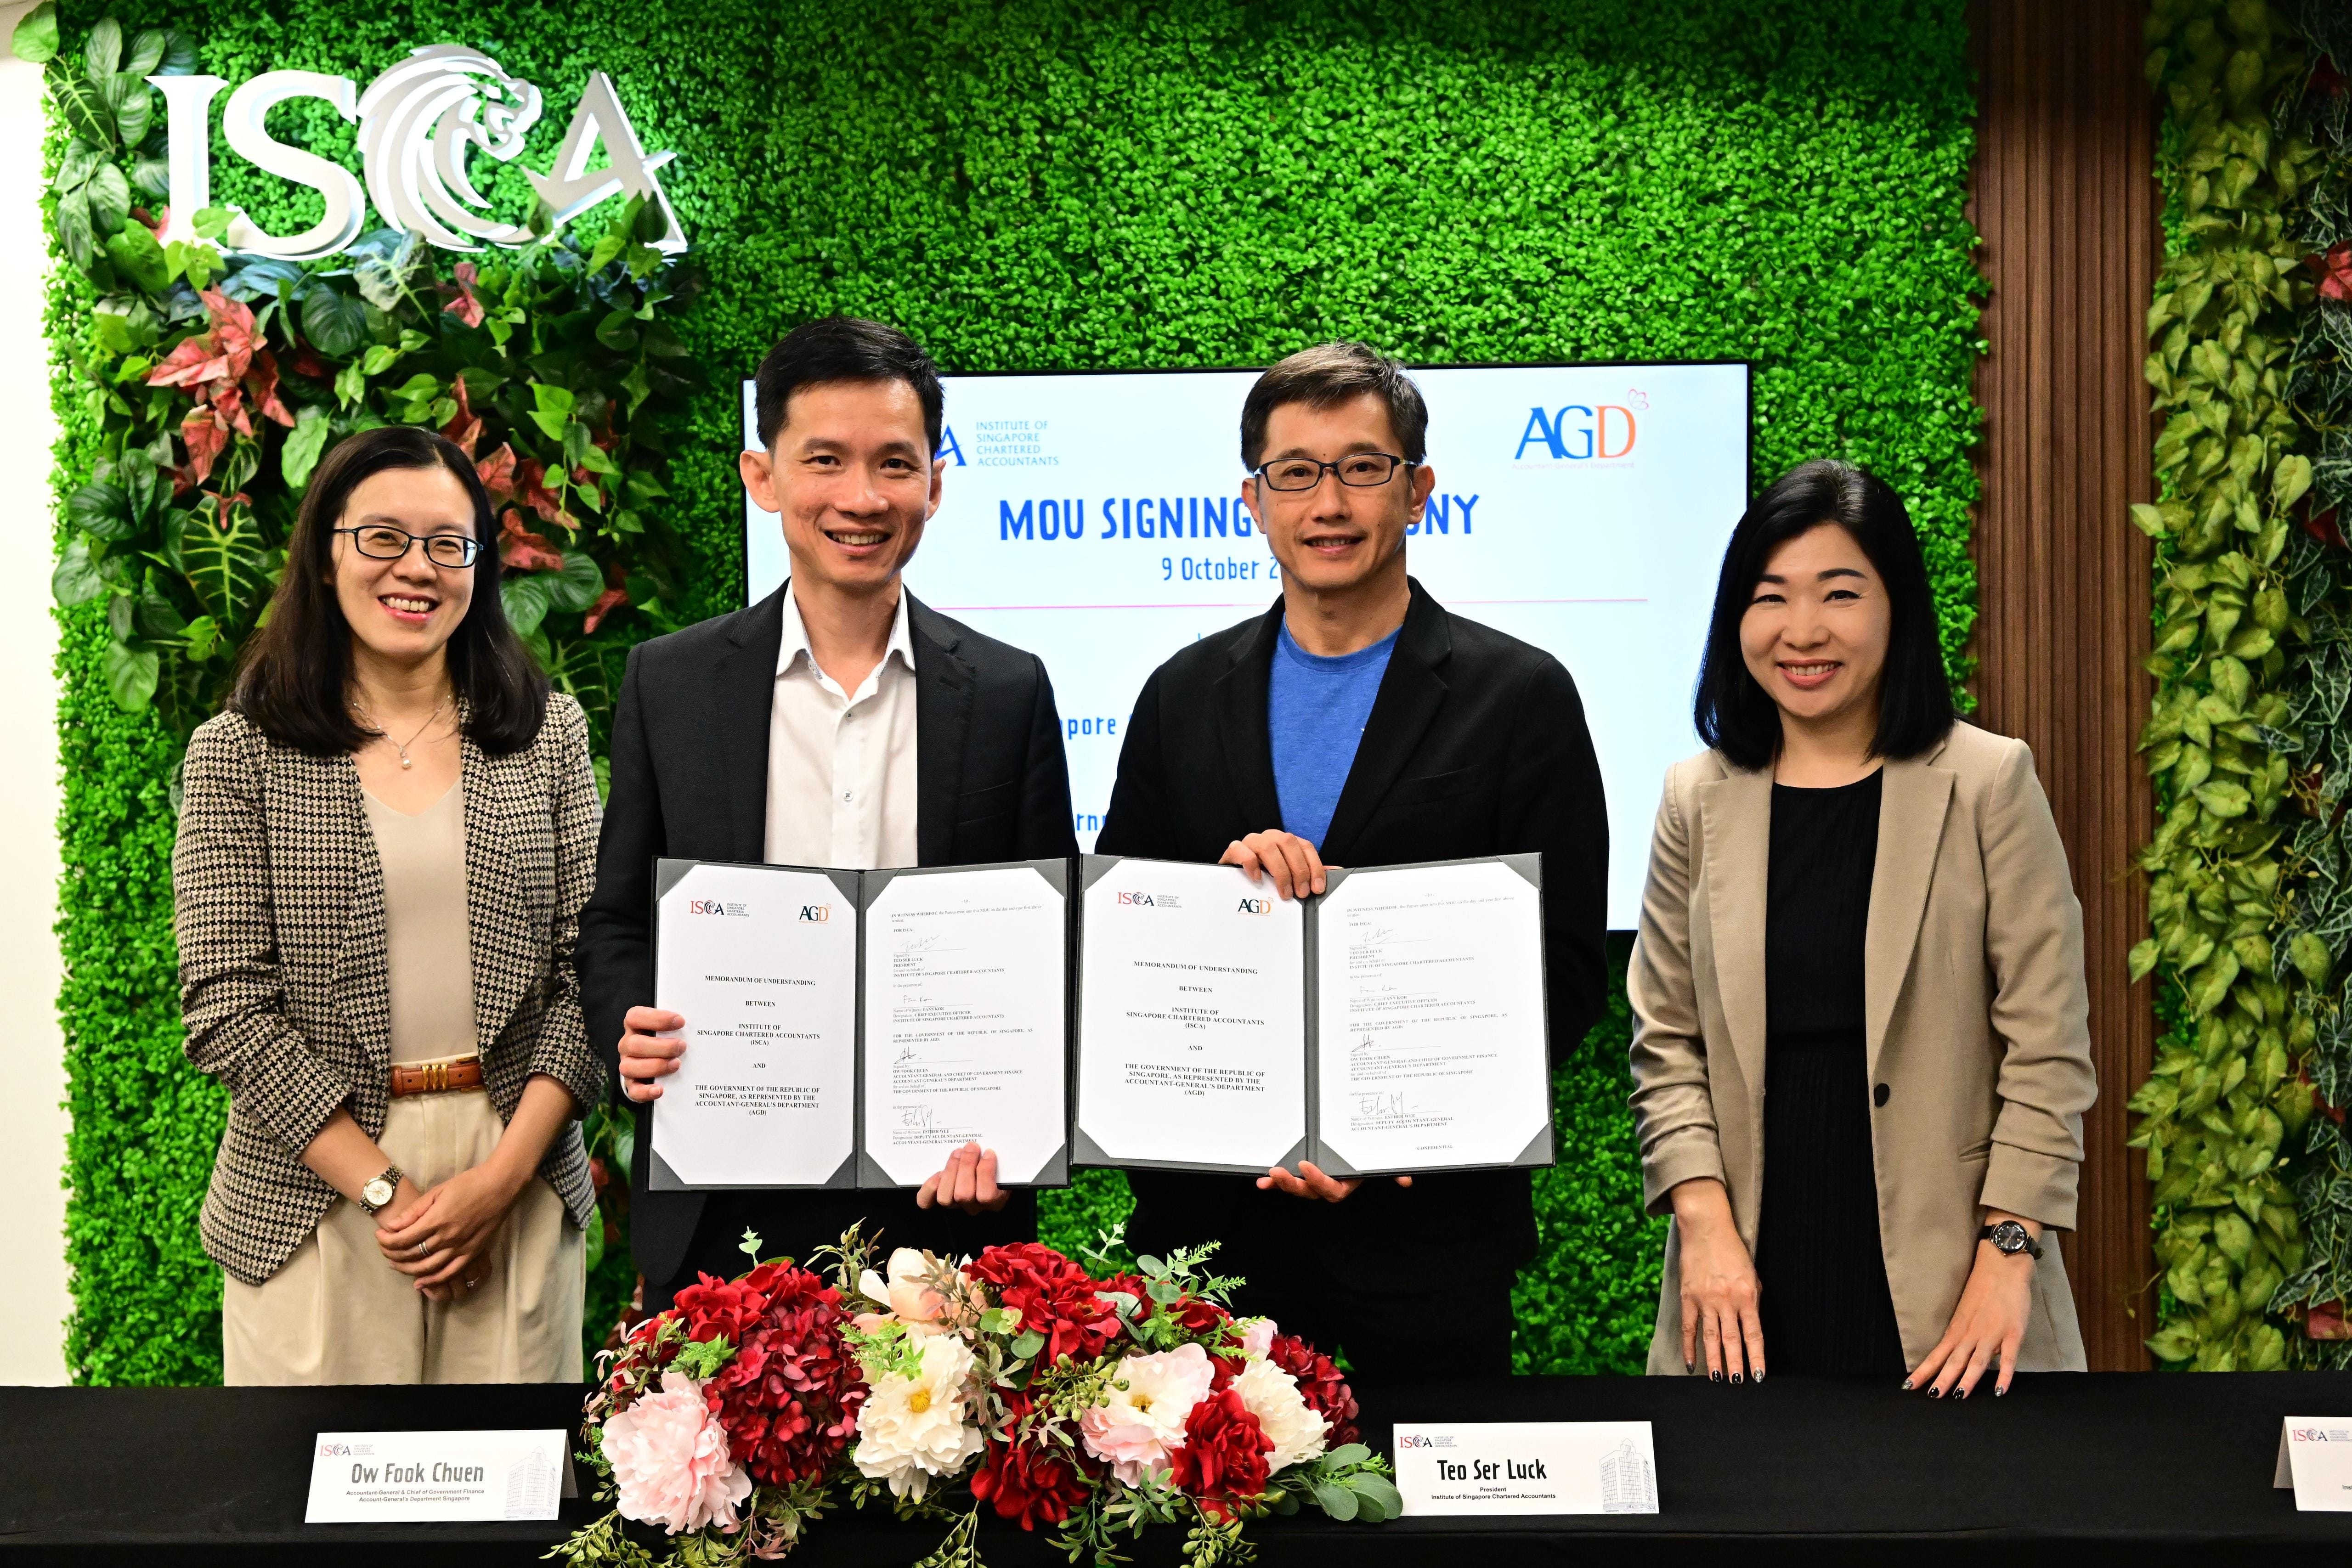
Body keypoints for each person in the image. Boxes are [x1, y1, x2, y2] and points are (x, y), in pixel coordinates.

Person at [1095, 341, 1610, 1378]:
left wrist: (1396, 1139)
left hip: (1429, 1255)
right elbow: (1119, 957)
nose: (1327, 501)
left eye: (1362, 467)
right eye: (1296, 471)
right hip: (1210, 1252)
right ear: (1254, 499)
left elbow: (1566, 974)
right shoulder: (1178, 696)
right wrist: (1213, 890)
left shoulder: (1519, 698)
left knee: (1429, 1540)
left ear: (1417, 489)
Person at [581, 316, 1080, 1310]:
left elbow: (1047, 938)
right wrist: (625, 1027)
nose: (862, 497)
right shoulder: (670, 683)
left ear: (934, 484)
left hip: (943, 1203)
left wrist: (1010, 1126)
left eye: (895, 464)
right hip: (726, 1198)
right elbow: (618, 920)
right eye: (826, 461)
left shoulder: (1007, 688)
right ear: (762, 477)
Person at [1628, 459, 2097, 1396]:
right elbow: (1665, 1044)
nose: (1803, 632)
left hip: (1954, 1273)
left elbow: (2048, 1045)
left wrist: (2009, 1254)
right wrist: (1705, 1226)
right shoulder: (1696, 797)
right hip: (1745, 1275)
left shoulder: (1988, 782)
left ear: (1896, 608)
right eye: (1770, 598)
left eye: (1839, 594)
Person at [177, 425, 605, 1385]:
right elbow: (227, 1008)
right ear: (326, 555)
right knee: (323, 1516)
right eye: (382, 537)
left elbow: (595, 970)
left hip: (518, 1163)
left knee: (510, 1510)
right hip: (315, 1180)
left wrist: (497, 1183)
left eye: (448, 544)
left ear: (479, 566)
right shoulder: (239, 751)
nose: (417, 568)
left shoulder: (547, 737)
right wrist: (388, 1193)